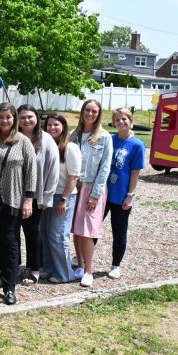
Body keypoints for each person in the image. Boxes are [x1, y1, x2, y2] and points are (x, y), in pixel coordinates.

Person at [0, 102, 36, 305]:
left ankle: (10, 287)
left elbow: (31, 172)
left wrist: (29, 200)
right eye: (1, 117)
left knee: (10, 242)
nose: (5, 120)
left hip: (13, 198)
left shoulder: (22, 141)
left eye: (9, 117)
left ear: (14, 119)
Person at [70, 99, 113, 288]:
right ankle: (79, 265)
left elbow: (105, 168)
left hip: (91, 187)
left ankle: (89, 270)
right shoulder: (75, 135)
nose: (90, 114)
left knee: (87, 231)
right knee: (76, 229)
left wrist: (95, 194)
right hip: (75, 186)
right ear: (82, 112)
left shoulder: (104, 137)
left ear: (99, 114)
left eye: (94, 111)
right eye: (87, 110)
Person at [16, 104, 59, 283]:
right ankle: (14, 266)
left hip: (35, 195)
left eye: (30, 117)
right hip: (13, 194)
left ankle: (35, 268)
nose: (26, 120)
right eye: (23, 117)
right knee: (12, 232)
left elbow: (53, 169)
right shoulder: (13, 137)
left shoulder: (46, 139)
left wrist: (47, 197)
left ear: (37, 118)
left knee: (33, 232)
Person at [103, 108, 145, 279]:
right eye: (117, 120)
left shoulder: (137, 145)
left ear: (131, 121)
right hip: (104, 192)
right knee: (93, 226)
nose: (121, 122)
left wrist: (130, 195)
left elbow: (135, 172)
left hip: (121, 195)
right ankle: (83, 257)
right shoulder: (109, 139)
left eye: (124, 119)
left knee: (119, 231)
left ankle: (115, 265)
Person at [40, 114, 81, 283]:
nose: (52, 128)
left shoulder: (70, 147)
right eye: (49, 125)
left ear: (63, 126)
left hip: (64, 197)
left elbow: (73, 176)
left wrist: (64, 199)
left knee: (58, 235)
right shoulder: (47, 145)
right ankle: (49, 268)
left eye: (56, 125)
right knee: (45, 234)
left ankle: (65, 273)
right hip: (47, 195)